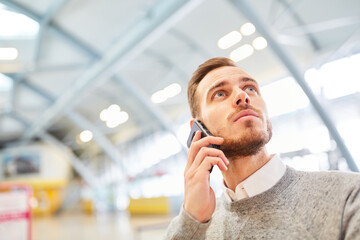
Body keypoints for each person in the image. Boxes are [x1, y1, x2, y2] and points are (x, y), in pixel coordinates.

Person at [164, 57, 360, 239]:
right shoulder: (196, 227)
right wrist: (191, 220)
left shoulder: (347, 196)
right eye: (220, 93)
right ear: (198, 130)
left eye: (250, 88)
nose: (242, 95)